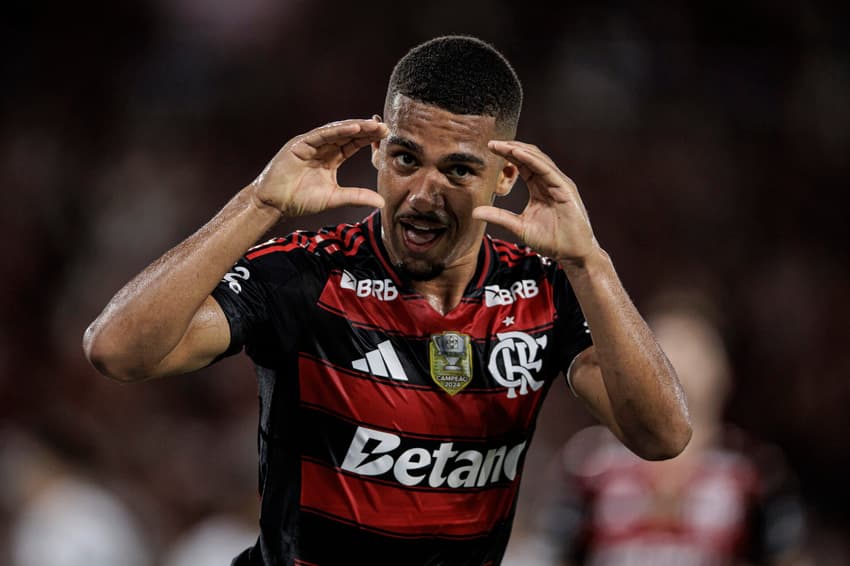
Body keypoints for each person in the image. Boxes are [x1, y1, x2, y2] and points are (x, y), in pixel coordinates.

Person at [83, 35, 691, 565]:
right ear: (376, 152)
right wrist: (259, 204)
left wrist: (590, 262)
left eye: (456, 170)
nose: (422, 193)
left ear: (504, 179)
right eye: (404, 158)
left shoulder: (546, 289)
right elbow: (118, 352)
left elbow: (661, 437)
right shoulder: (309, 273)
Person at [519, 291, 807, 565]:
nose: (675, 362)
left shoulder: (754, 472)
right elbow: (554, 557)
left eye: (691, 347)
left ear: (723, 370)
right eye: (657, 348)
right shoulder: (590, 465)